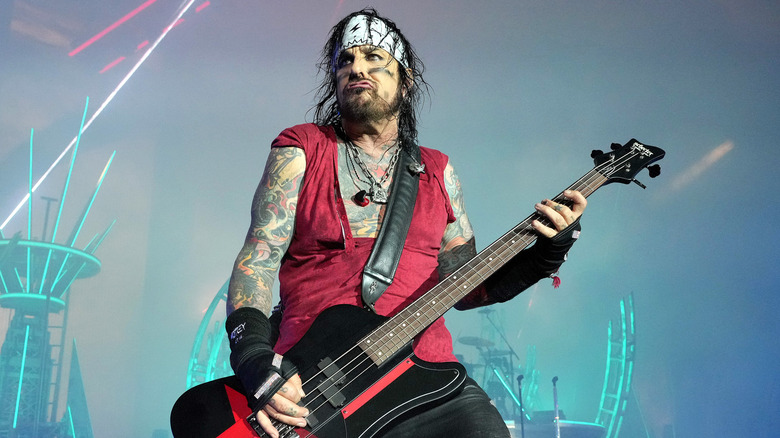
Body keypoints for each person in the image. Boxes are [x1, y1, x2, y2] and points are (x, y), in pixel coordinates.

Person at [225, 8, 586, 438]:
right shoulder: (302, 149)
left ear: (405, 78)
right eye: (345, 60)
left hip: (423, 378)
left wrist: (548, 252)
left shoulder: (438, 172)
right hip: (314, 388)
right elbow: (258, 258)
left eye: (374, 56)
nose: (356, 67)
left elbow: (467, 287)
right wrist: (254, 362)